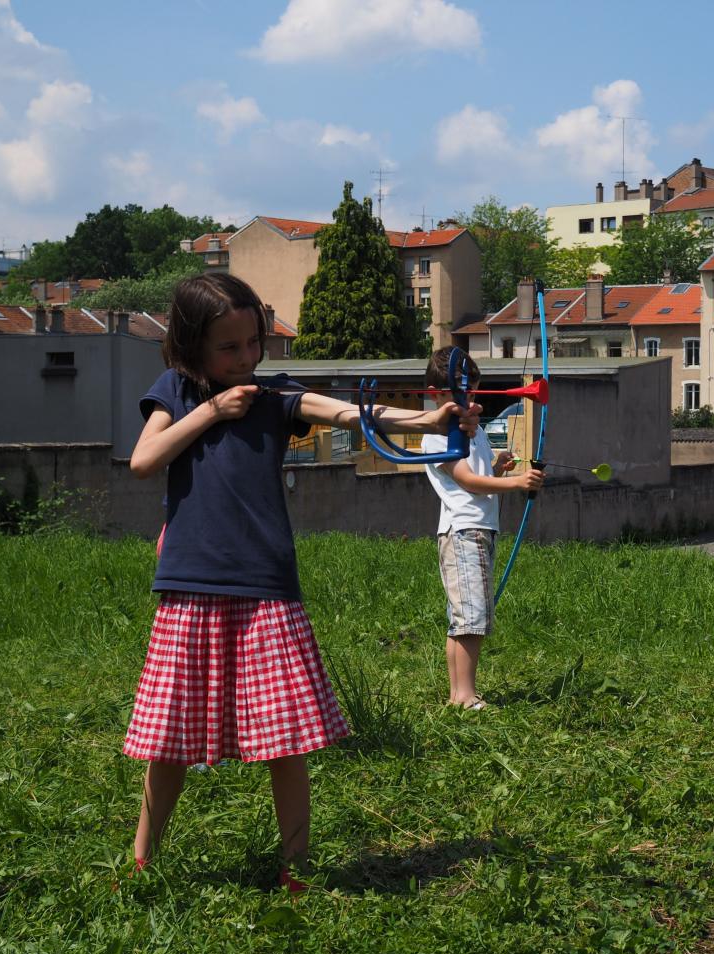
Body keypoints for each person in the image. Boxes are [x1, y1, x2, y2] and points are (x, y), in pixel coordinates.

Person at [123, 274, 482, 892]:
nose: (244, 359)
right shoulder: (175, 392)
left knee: (286, 739)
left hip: (266, 590)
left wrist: (432, 415)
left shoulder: (275, 397)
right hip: (190, 587)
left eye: (251, 344)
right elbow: (142, 460)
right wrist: (210, 410)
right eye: (227, 348)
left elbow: (347, 411)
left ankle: (297, 868)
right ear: (190, 348)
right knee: (169, 744)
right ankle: (139, 864)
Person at [420, 347, 544, 709]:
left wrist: (499, 466)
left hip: (478, 529)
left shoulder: (471, 431)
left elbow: (480, 472)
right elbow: (467, 480)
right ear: (435, 395)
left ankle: (459, 696)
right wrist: (518, 483)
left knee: (466, 617)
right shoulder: (437, 435)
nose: (469, 401)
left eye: (472, 392)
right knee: (471, 617)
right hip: (462, 531)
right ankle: (465, 695)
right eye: (459, 394)